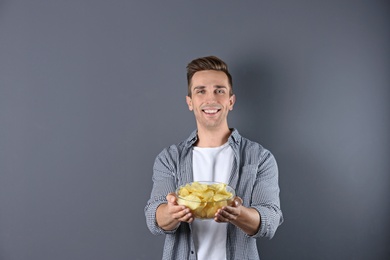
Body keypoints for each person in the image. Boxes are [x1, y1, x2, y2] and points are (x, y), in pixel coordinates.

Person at [145, 56, 283, 260]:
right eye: (201, 91)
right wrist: (171, 212)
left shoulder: (260, 158)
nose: (211, 99)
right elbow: (154, 218)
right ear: (190, 102)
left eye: (219, 90)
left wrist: (240, 214)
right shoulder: (169, 158)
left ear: (231, 101)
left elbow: (270, 220)